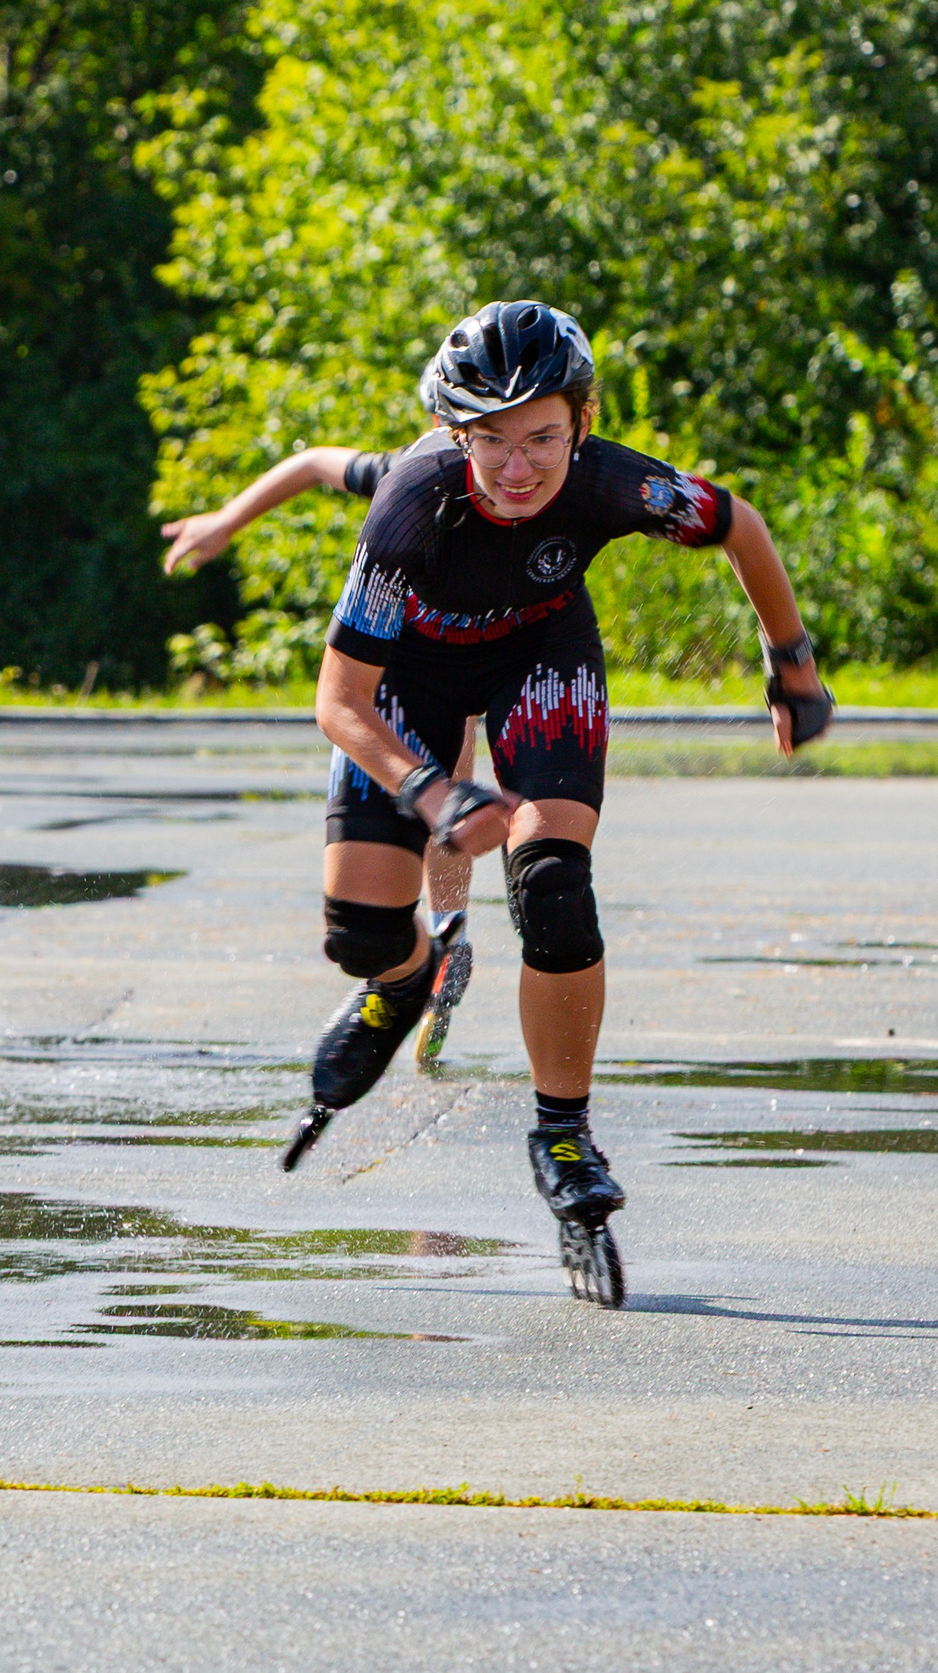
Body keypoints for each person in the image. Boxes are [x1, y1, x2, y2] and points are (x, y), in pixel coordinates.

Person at [279, 300, 832, 1284]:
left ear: (580, 421)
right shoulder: (410, 501)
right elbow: (338, 697)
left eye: (540, 437)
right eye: (490, 442)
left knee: (553, 885)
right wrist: (431, 789)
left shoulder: (619, 482)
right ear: (457, 437)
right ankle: (406, 978)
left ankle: (563, 1133)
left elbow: (739, 525)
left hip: (540, 656)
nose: (518, 467)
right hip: (407, 679)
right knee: (358, 935)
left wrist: (789, 662)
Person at [157, 366, 479, 1067]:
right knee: (438, 758)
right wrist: (225, 521)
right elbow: (309, 464)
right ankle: (438, 934)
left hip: (474, 653)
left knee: (453, 756)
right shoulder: (407, 475)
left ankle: (446, 934)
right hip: (403, 658)